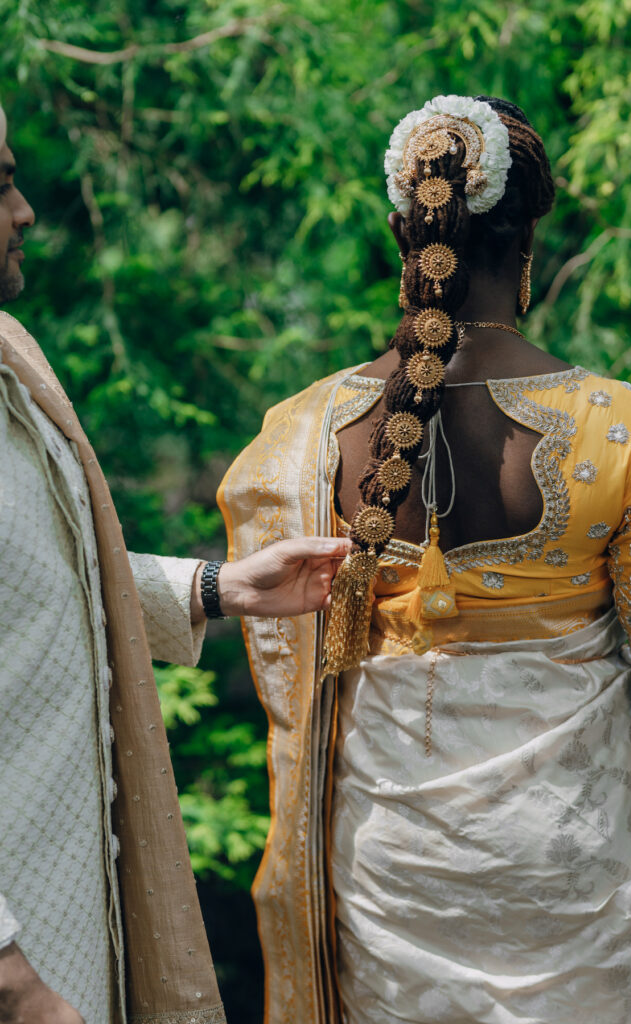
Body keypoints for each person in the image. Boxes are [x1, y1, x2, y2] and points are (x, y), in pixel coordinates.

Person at [218, 93, 631, 1023]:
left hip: (390, 860)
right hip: (574, 853)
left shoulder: (305, 433)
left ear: (402, 229)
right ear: (528, 243)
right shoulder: (626, 429)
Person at [0, 102, 350, 1024]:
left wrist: (218, 587)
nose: (26, 209)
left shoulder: (10, 357)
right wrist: (14, 983)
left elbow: (34, 580)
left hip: (65, 906)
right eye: (0, 183)